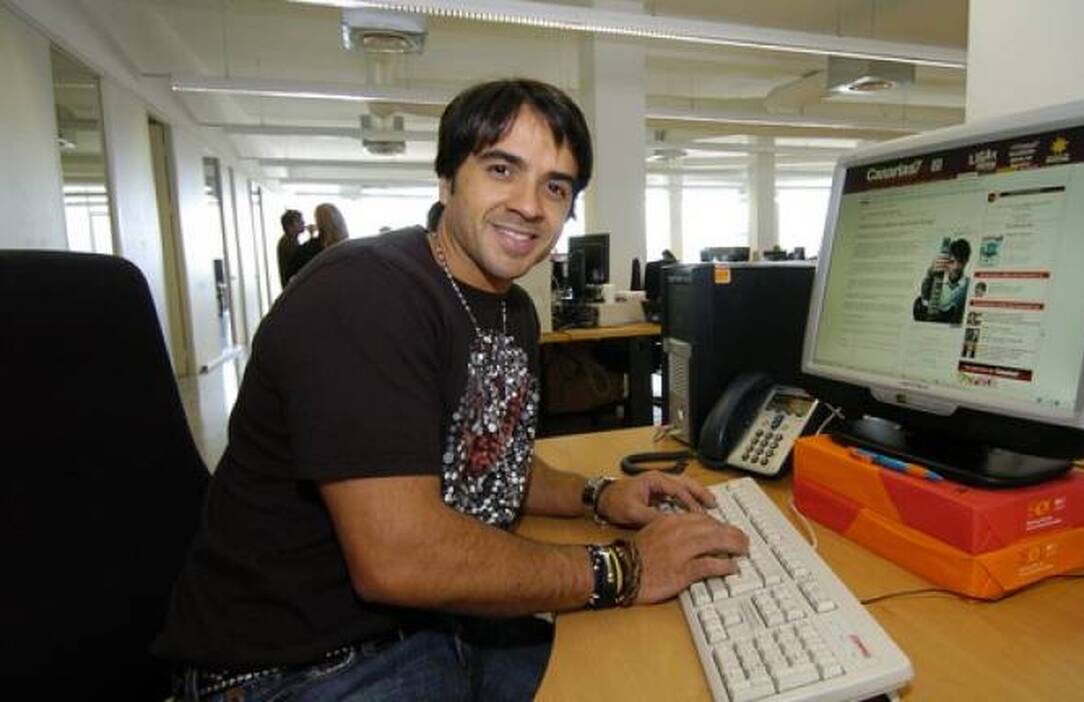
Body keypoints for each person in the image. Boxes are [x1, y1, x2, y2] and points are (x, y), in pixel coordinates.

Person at [155, 78, 748, 701]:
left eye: (555, 186)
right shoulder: (365, 296)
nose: (530, 205)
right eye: (501, 169)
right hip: (291, 669)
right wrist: (624, 568)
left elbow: (486, 460)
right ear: (447, 181)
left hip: (437, 628)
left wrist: (597, 495)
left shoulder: (512, 309)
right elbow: (400, 558)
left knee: (664, 675)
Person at [912, 237, 971, 324]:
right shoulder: (936, 279)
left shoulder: (969, 286)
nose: (956, 267)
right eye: (951, 262)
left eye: (961, 261)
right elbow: (925, 298)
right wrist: (930, 273)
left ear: (967, 261)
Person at [287, 203, 351, 281]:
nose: (304, 223)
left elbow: (292, 276)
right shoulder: (350, 250)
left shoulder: (306, 250)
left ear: (319, 223)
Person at [276, 209, 305, 288]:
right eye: (299, 221)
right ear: (289, 226)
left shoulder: (290, 240)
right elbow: (300, 262)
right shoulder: (288, 242)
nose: (303, 223)